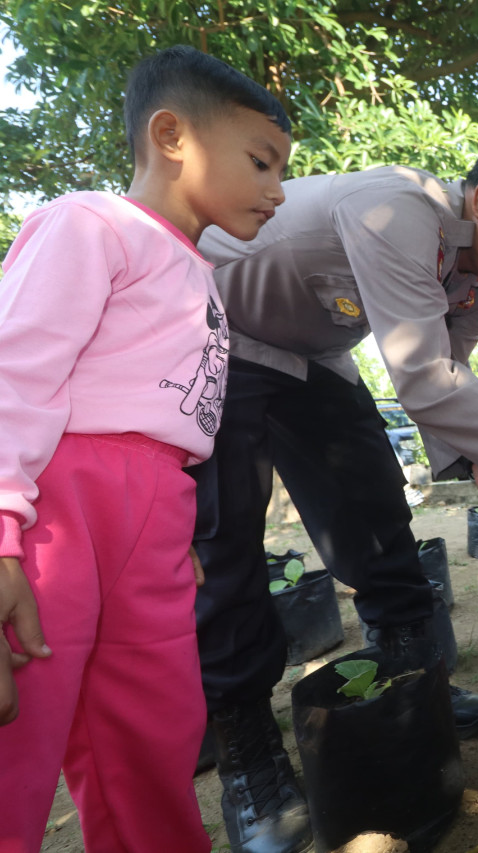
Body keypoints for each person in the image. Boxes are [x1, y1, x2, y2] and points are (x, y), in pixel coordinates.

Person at [194, 126, 478, 853]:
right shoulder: (400, 209)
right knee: (230, 547)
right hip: (219, 334)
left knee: (376, 518)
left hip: (311, 353)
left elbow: (454, 378)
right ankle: (252, 763)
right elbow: (425, 378)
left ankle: (414, 693)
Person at [0, 46, 290, 853]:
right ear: (172, 136)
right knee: (18, 735)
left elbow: (171, 423)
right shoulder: (91, 224)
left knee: (154, 727)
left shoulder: (200, 273)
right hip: (62, 506)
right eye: (261, 161)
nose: (278, 188)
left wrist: (170, 535)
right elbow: (14, 372)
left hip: (155, 517)